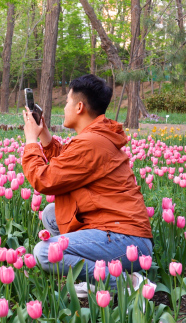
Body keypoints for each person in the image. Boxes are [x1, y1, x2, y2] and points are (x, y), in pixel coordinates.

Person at [21, 74, 153, 297]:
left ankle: (126, 282)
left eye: (66, 102)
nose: (64, 108)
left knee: (44, 252)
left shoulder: (91, 142)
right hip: (121, 233)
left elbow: (43, 180)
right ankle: (92, 276)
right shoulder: (96, 137)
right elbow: (68, 162)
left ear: (79, 106)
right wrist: (44, 135)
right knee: (51, 214)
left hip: (126, 241)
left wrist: (31, 142)